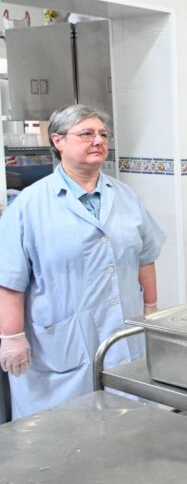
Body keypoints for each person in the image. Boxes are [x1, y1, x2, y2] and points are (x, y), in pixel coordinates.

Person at [0, 104, 165, 419]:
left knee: (130, 425)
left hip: (123, 335)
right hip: (60, 346)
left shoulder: (126, 197)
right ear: (58, 141)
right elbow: (9, 279)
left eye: (103, 134)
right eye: (87, 134)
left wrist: (151, 310)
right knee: (62, 431)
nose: (98, 141)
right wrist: (12, 337)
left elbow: (146, 258)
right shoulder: (29, 205)